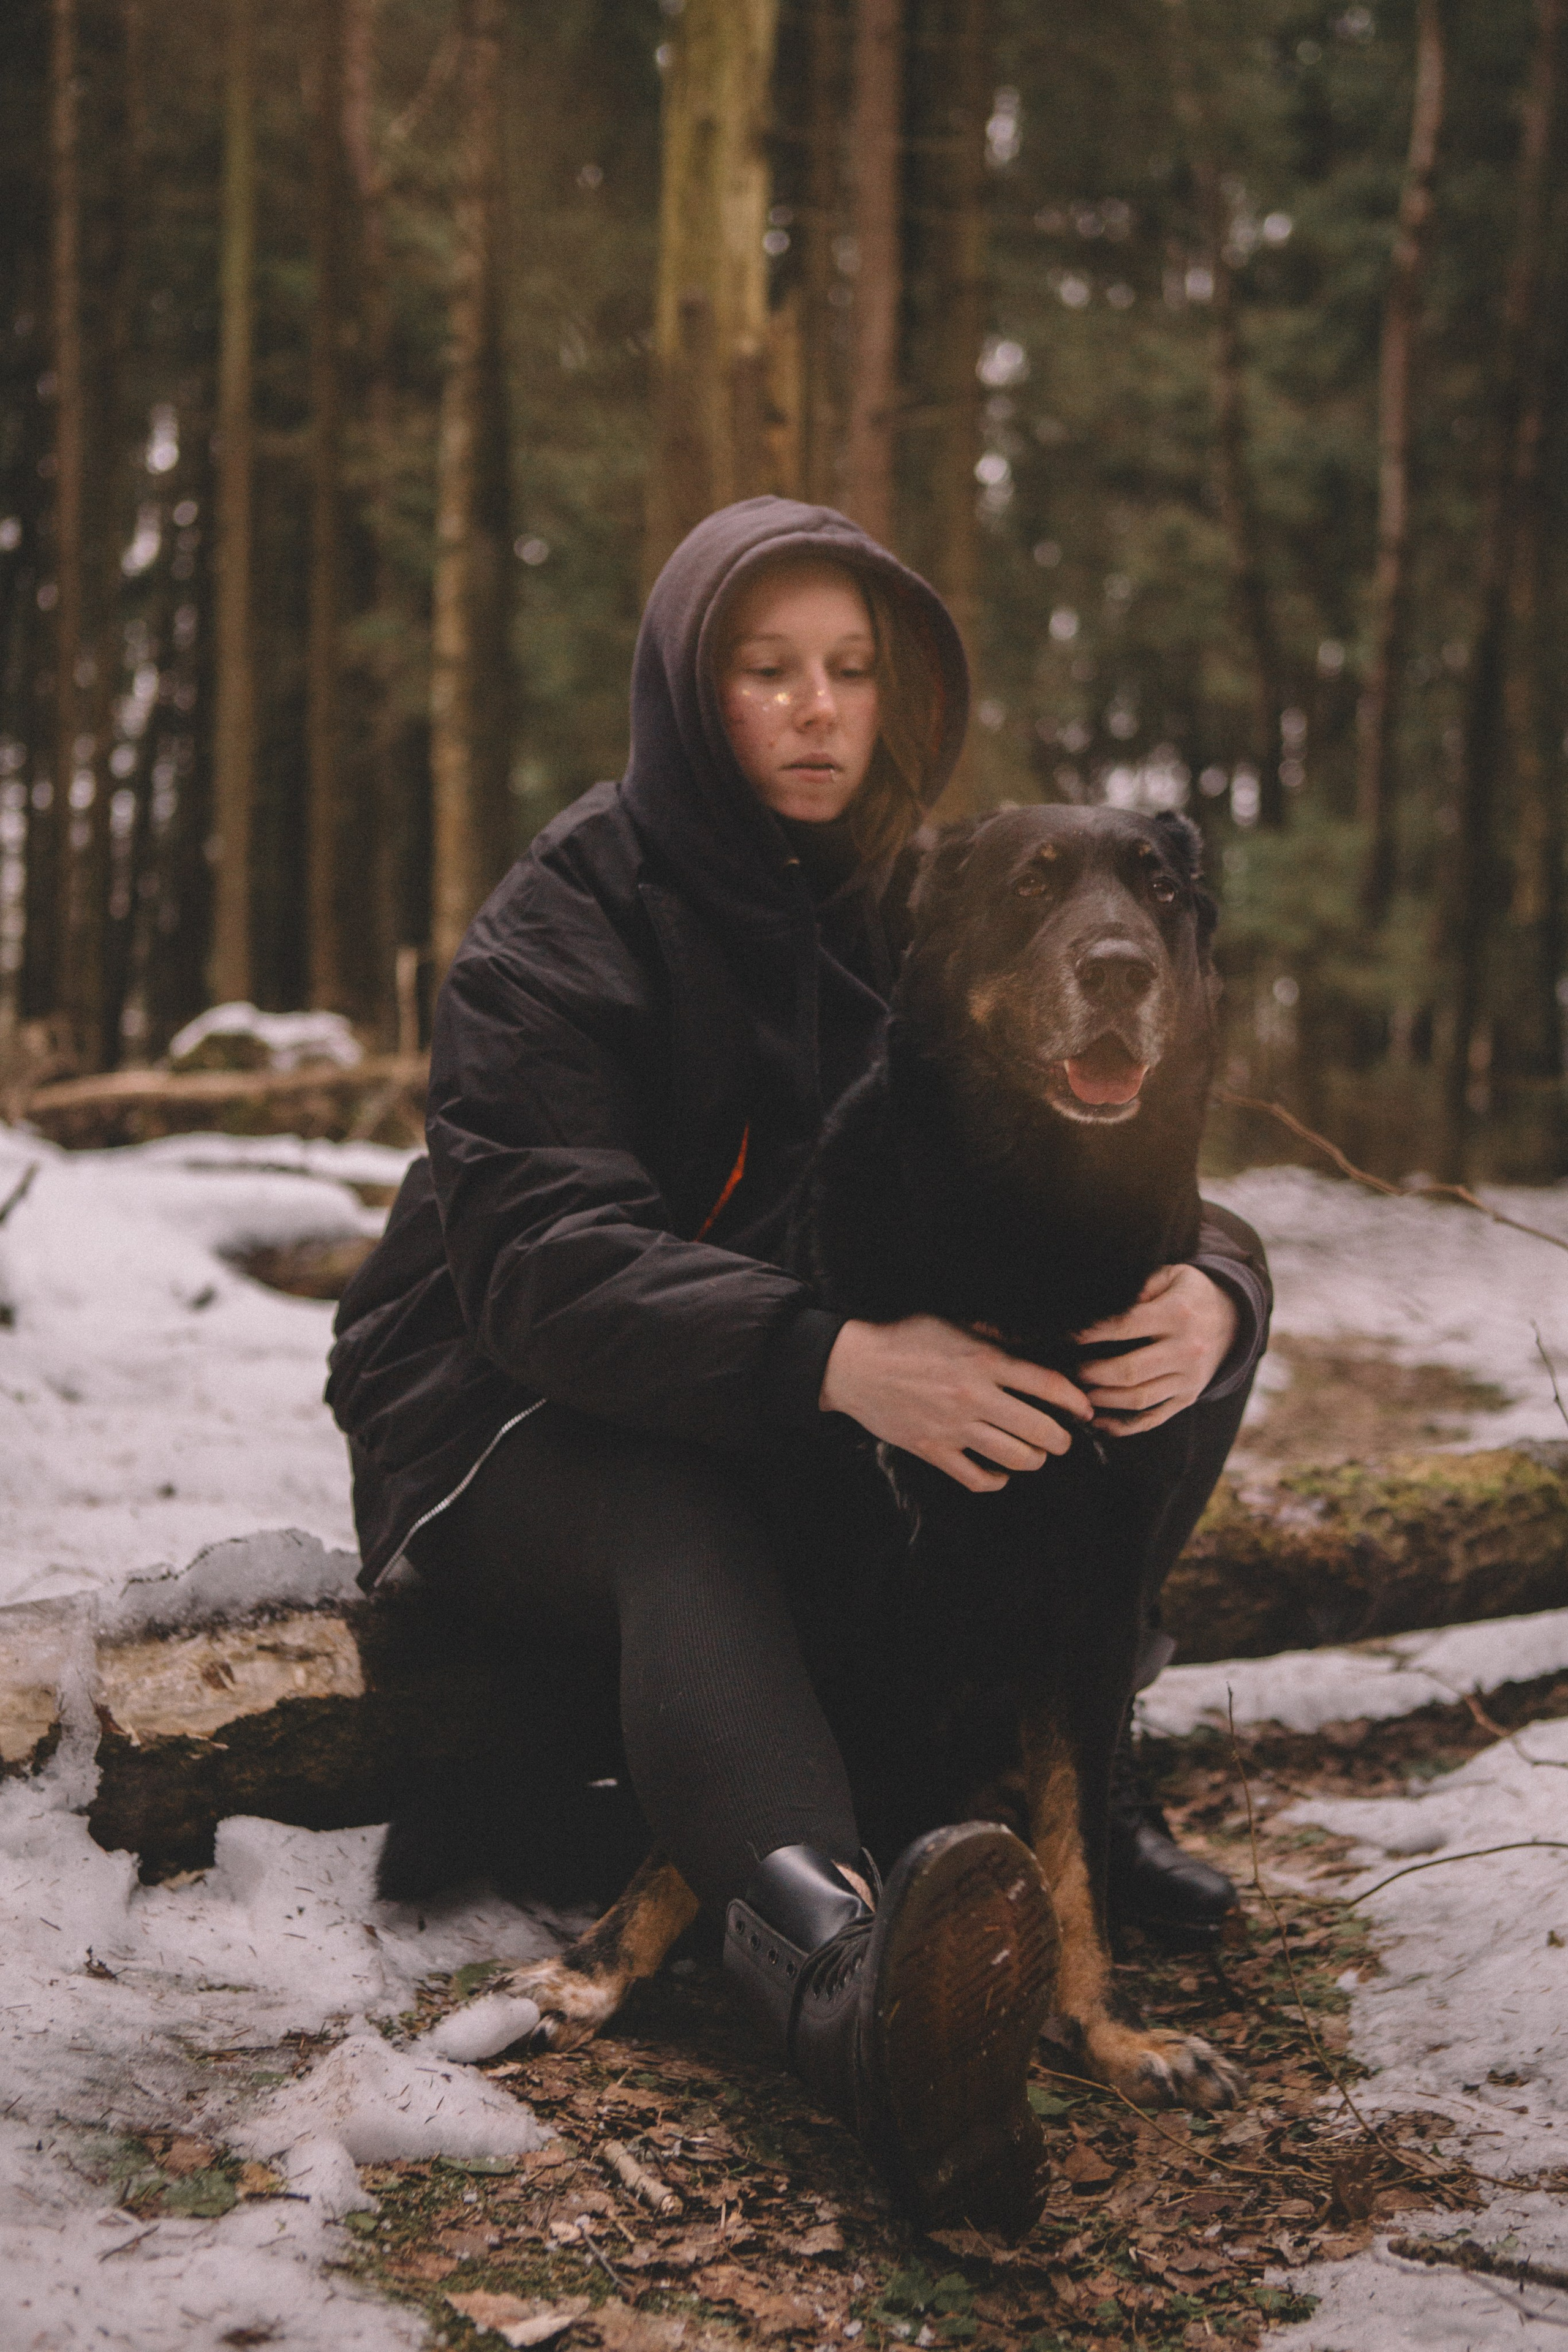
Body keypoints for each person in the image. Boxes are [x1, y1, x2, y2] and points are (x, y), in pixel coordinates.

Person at [326, 497, 1270, 2228]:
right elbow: (542, 1266)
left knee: (1135, 1360)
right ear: (693, 692)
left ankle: (1069, 1801)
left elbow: (1060, 1183)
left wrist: (1219, 1280)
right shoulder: (568, 913)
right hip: (501, 1405)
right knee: (693, 1507)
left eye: (852, 671)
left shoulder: (927, 896)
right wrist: (831, 1356)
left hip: (768, 1369)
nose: (819, 708)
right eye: (768, 671)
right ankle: (844, 1989)